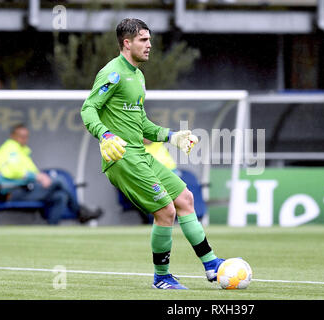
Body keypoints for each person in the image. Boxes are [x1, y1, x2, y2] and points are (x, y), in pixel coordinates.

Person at [80, 18, 224, 290]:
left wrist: (172, 136)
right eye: (143, 40)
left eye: (149, 39)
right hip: (122, 157)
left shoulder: (137, 75)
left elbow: (142, 124)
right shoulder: (113, 73)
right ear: (127, 43)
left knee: (185, 198)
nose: (149, 45)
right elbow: (88, 109)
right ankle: (162, 277)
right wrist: (105, 134)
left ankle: (211, 264)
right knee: (166, 211)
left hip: (140, 154)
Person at [0, 124, 103, 225]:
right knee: (59, 180)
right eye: (21, 136)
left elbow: (30, 171)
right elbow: (14, 171)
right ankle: (79, 211)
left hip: (25, 189)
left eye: (26, 136)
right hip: (13, 192)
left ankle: (51, 231)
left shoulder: (22, 151)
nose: (24, 139)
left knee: (60, 196)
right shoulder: (10, 149)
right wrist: (38, 177)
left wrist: (38, 176)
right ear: (13, 136)